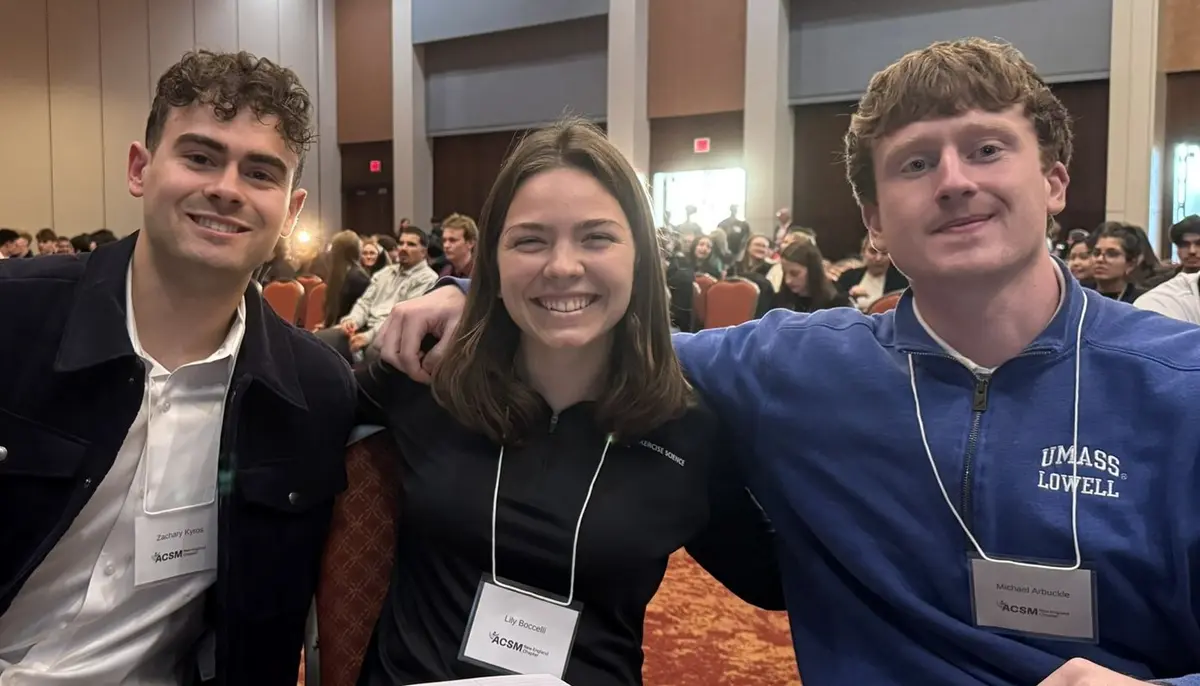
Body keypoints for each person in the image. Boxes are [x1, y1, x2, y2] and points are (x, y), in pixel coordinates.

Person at [371, 38, 1200, 685]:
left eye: (986, 149)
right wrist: (472, 305)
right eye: (917, 162)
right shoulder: (795, 367)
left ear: (1056, 180)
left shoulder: (1184, 388)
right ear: (874, 216)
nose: (953, 182)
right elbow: (604, 339)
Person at [353, 119, 781, 685]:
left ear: (639, 257)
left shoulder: (688, 430)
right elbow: (296, 400)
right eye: (530, 240)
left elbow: (774, 580)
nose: (561, 267)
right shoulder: (425, 373)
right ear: (494, 262)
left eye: (596, 237)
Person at [0, 50, 356, 684]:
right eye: (200, 157)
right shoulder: (13, 318)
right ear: (140, 168)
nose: (226, 187)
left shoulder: (313, 393)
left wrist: (456, 294)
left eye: (261, 172)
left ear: (291, 211)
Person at [315, 226, 437, 363]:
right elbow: (364, 303)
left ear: (423, 251)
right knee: (320, 340)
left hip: (393, 334)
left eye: (411, 244)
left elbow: (403, 318)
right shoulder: (384, 273)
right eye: (401, 243)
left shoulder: (428, 279)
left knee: (374, 351)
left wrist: (369, 336)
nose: (403, 248)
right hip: (364, 328)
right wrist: (352, 321)